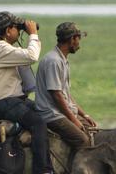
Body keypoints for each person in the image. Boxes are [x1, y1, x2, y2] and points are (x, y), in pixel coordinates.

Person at [0, 11, 68, 174]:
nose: (19, 33)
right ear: (7, 31)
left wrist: (30, 35)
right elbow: (31, 56)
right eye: (16, 29)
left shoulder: (1, 48)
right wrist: (33, 34)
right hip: (1, 102)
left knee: (45, 111)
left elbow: (26, 56)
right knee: (37, 122)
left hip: (12, 100)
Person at [36, 22, 97, 150]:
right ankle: (74, 170)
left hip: (61, 112)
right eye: (78, 39)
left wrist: (84, 115)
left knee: (95, 132)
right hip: (53, 115)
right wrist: (75, 121)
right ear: (71, 39)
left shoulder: (62, 59)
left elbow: (66, 95)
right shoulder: (54, 61)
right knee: (83, 141)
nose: (79, 43)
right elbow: (57, 96)